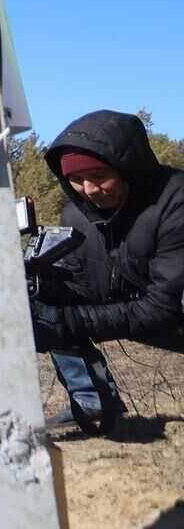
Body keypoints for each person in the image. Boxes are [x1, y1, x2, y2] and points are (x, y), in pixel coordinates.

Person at [31, 110, 184, 427]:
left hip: (172, 309)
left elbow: (163, 306)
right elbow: (90, 286)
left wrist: (75, 322)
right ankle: (93, 402)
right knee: (44, 306)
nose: (88, 189)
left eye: (99, 176)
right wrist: (44, 289)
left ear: (129, 168)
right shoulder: (75, 215)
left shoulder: (176, 202)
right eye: (75, 179)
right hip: (148, 307)